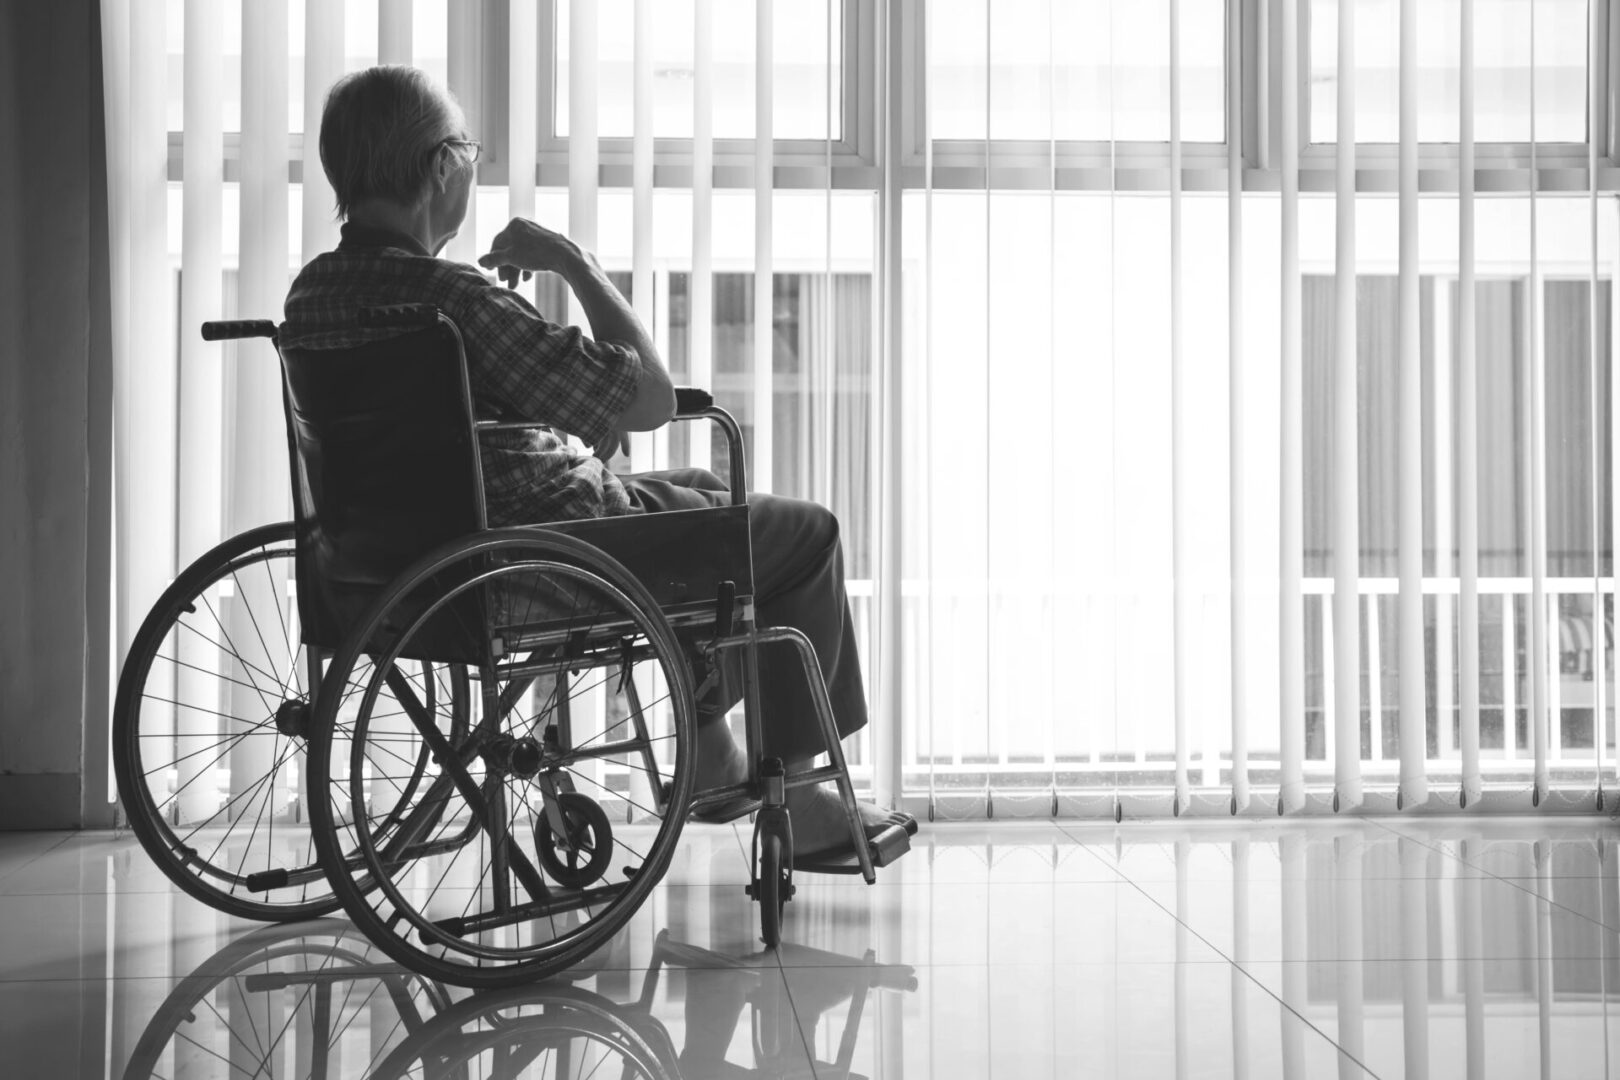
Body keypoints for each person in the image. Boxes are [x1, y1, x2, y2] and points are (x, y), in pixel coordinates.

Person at [282, 65, 911, 859]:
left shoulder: (311, 299)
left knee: (702, 496)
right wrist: (570, 259)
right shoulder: (458, 301)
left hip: (395, 568)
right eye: (467, 148)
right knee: (804, 533)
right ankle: (804, 794)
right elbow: (647, 400)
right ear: (441, 165)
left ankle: (714, 755)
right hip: (542, 557)